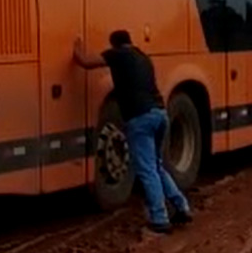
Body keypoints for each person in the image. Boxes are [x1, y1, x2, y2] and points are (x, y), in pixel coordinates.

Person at [73, 30, 192, 233]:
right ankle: (182, 207)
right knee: (156, 166)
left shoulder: (117, 54)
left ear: (115, 44)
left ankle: (159, 218)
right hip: (160, 114)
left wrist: (77, 46)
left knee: (146, 169)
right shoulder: (143, 57)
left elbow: (85, 61)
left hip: (141, 118)